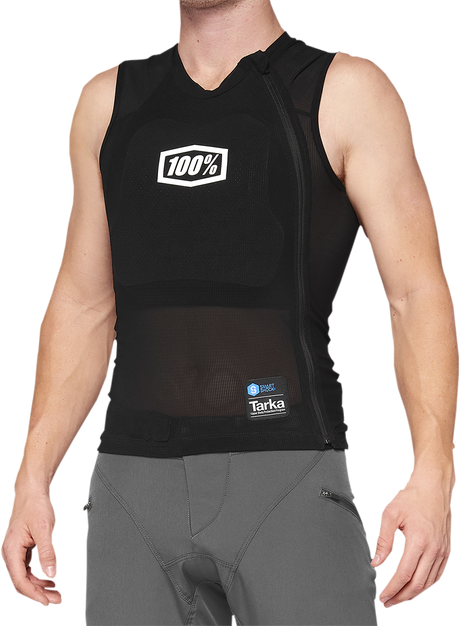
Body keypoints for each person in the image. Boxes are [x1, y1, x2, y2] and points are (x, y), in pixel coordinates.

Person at [1, 0, 457, 623]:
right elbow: (83, 304)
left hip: (287, 473)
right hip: (132, 488)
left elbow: (415, 293)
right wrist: (32, 477)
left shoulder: (345, 91)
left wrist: (434, 472)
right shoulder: (108, 102)